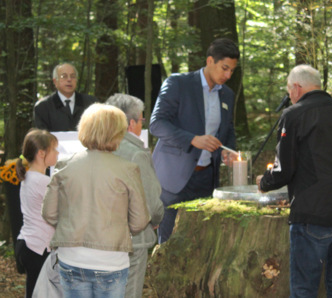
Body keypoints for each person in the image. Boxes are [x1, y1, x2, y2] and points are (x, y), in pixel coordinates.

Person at [257, 65, 332, 297]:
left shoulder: (294, 114)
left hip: (315, 214)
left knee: (303, 289)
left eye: (289, 91)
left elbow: (283, 170)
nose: (289, 96)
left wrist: (263, 182)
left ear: (297, 88)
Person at [42, 103, 150, 298]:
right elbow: (140, 221)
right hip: (112, 260)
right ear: (117, 133)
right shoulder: (127, 169)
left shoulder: (65, 165)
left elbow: (49, 213)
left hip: (71, 257)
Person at [150, 38, 238, 244]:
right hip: (173, 180)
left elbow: (229, 129)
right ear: (209, 61)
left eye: (232, 71)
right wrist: (192, 140)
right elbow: (157, 124)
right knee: (169, 244)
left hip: (207, 179)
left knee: (200, 242)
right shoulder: (178, 83)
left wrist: (229, 150)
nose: (228, 75)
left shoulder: (228, 95)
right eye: (225, 68)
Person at [106, 93, 164, 298]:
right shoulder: (136, 154)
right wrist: (156, 219)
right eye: (141, 120)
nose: (142, 125)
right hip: (133, 240)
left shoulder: (97, 148)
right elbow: (151, 202)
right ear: (131, 123)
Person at [14, 129, 59, 298]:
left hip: (28, 243)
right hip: (37, 248)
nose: (57, 153)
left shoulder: (29, 177)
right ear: (41, 153)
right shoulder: (43, 181)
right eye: (54, 149)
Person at [34, 63, 97, 131]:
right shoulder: (43, 106)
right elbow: (41, 138)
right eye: (64, 76)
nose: (69, 80)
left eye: (73, 76)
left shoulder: (91, 103)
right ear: (55, 81)